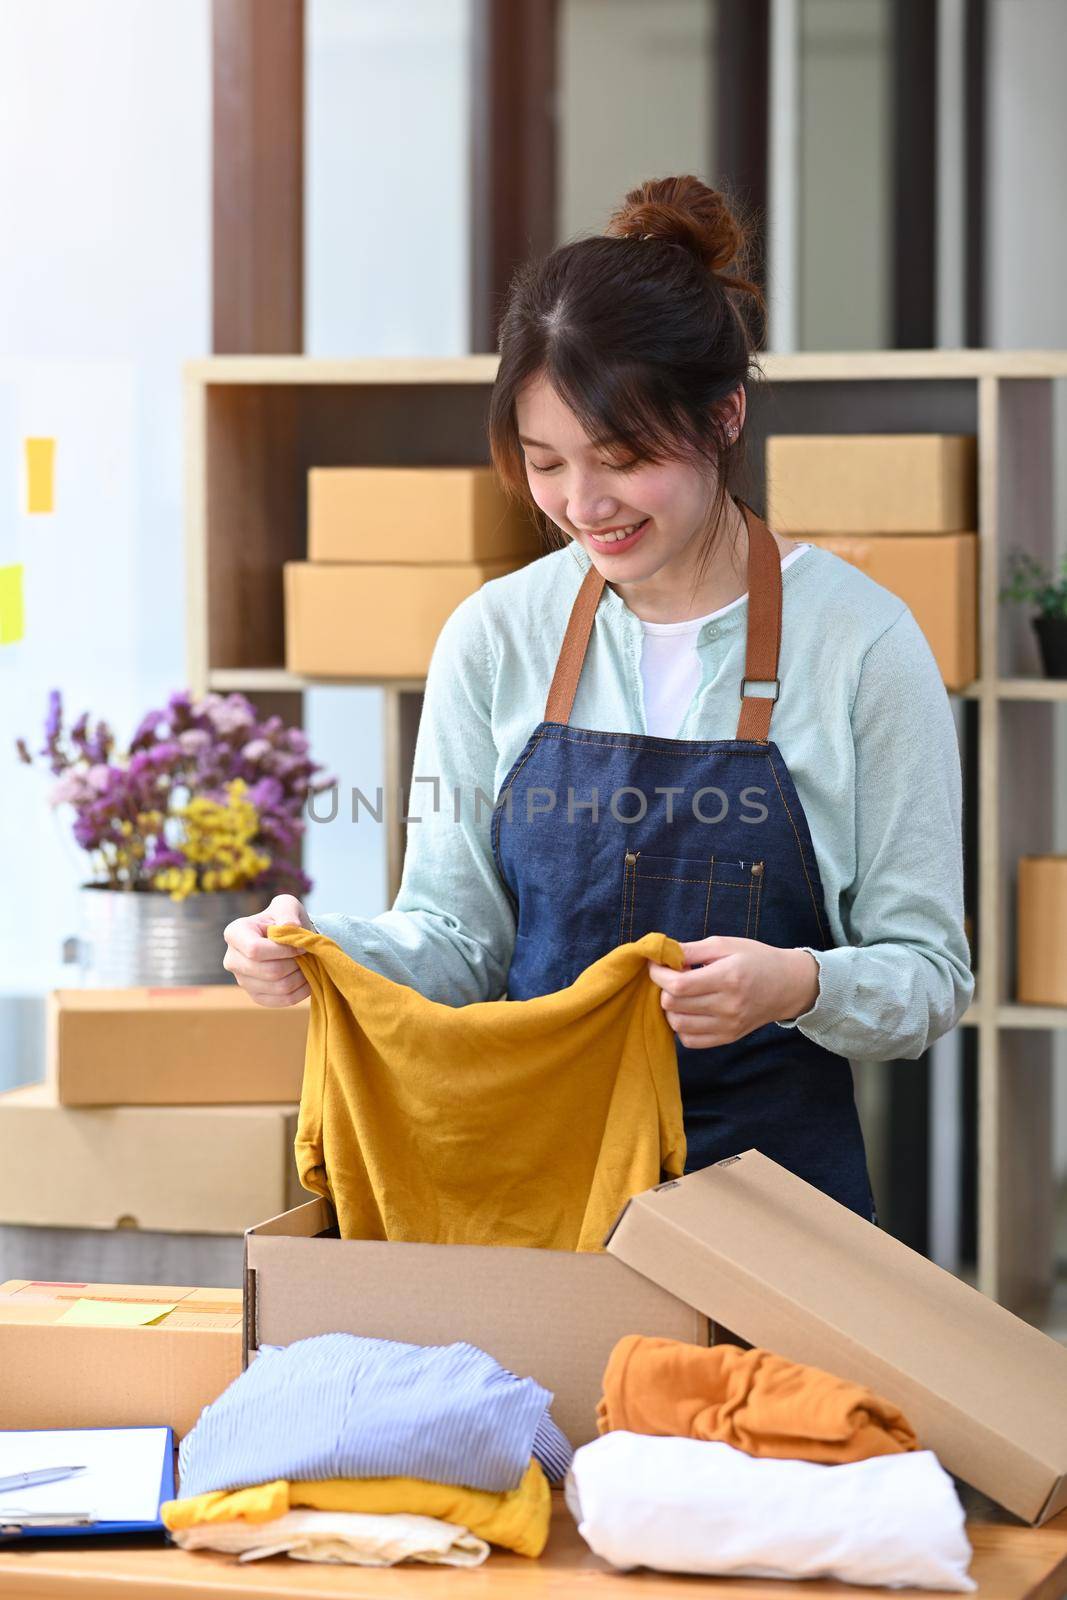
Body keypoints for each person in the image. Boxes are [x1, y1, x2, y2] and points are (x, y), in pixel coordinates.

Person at [223, 174, 974, 1223]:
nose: (582, 505)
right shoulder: (495, 636)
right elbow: (457, 935)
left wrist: (797, 983)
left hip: (770, 1207)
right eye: (544, 464)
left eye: (620, 459)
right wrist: (320, 949)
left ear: (723, 416)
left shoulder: (861, 645)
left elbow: (928, 973)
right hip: (538, 1190)